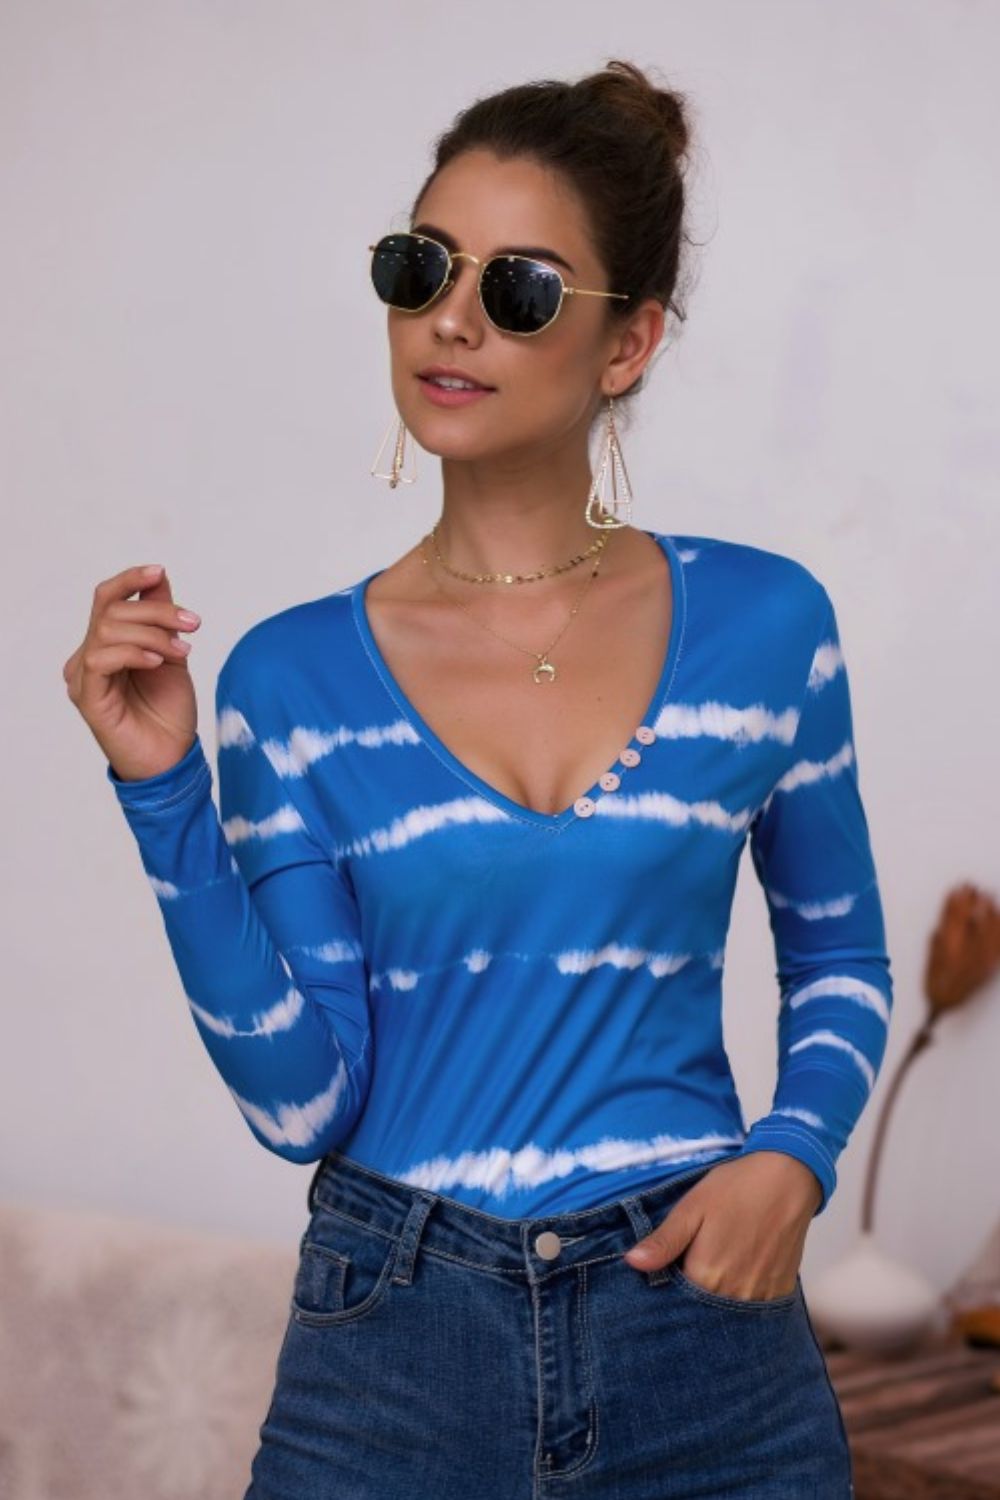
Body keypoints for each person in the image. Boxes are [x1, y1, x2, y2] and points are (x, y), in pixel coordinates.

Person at [65, 59, 886, 1499]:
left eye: (519, 288)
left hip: (700, 1333)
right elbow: (302, 1109)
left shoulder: (768, 627)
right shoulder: (290, 679)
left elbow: (841, 957)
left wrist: (795, 1160)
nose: (450, 317)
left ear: (627, 344)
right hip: (394, 1342)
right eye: (422, 267)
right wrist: (163, 791)